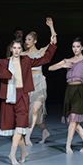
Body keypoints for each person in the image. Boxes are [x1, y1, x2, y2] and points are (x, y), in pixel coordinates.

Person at [0, 36, 57, 165]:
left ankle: (12, 154)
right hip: (9, 97)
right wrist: (6, 74)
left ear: (21, 50)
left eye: (19, 48)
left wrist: (52, 45)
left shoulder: (26, 60)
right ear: (11, 49)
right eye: (14, 48)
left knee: (20, 127)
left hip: (23, 96)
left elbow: (45, 59)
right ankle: (24, 152)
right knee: (15, 128)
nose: (16, 50)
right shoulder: (4, 62)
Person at [20, 17, 57, 145]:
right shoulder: (23, 54)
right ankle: (44, 131)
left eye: (29, 39)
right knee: (31, 111)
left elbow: (53, 43)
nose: (26, 41)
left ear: (35, 41)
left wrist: (51, 26)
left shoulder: (40, 52)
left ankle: (28, 135)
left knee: (35, 110)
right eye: (25, 39)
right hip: (28, 83)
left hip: (39, 83)